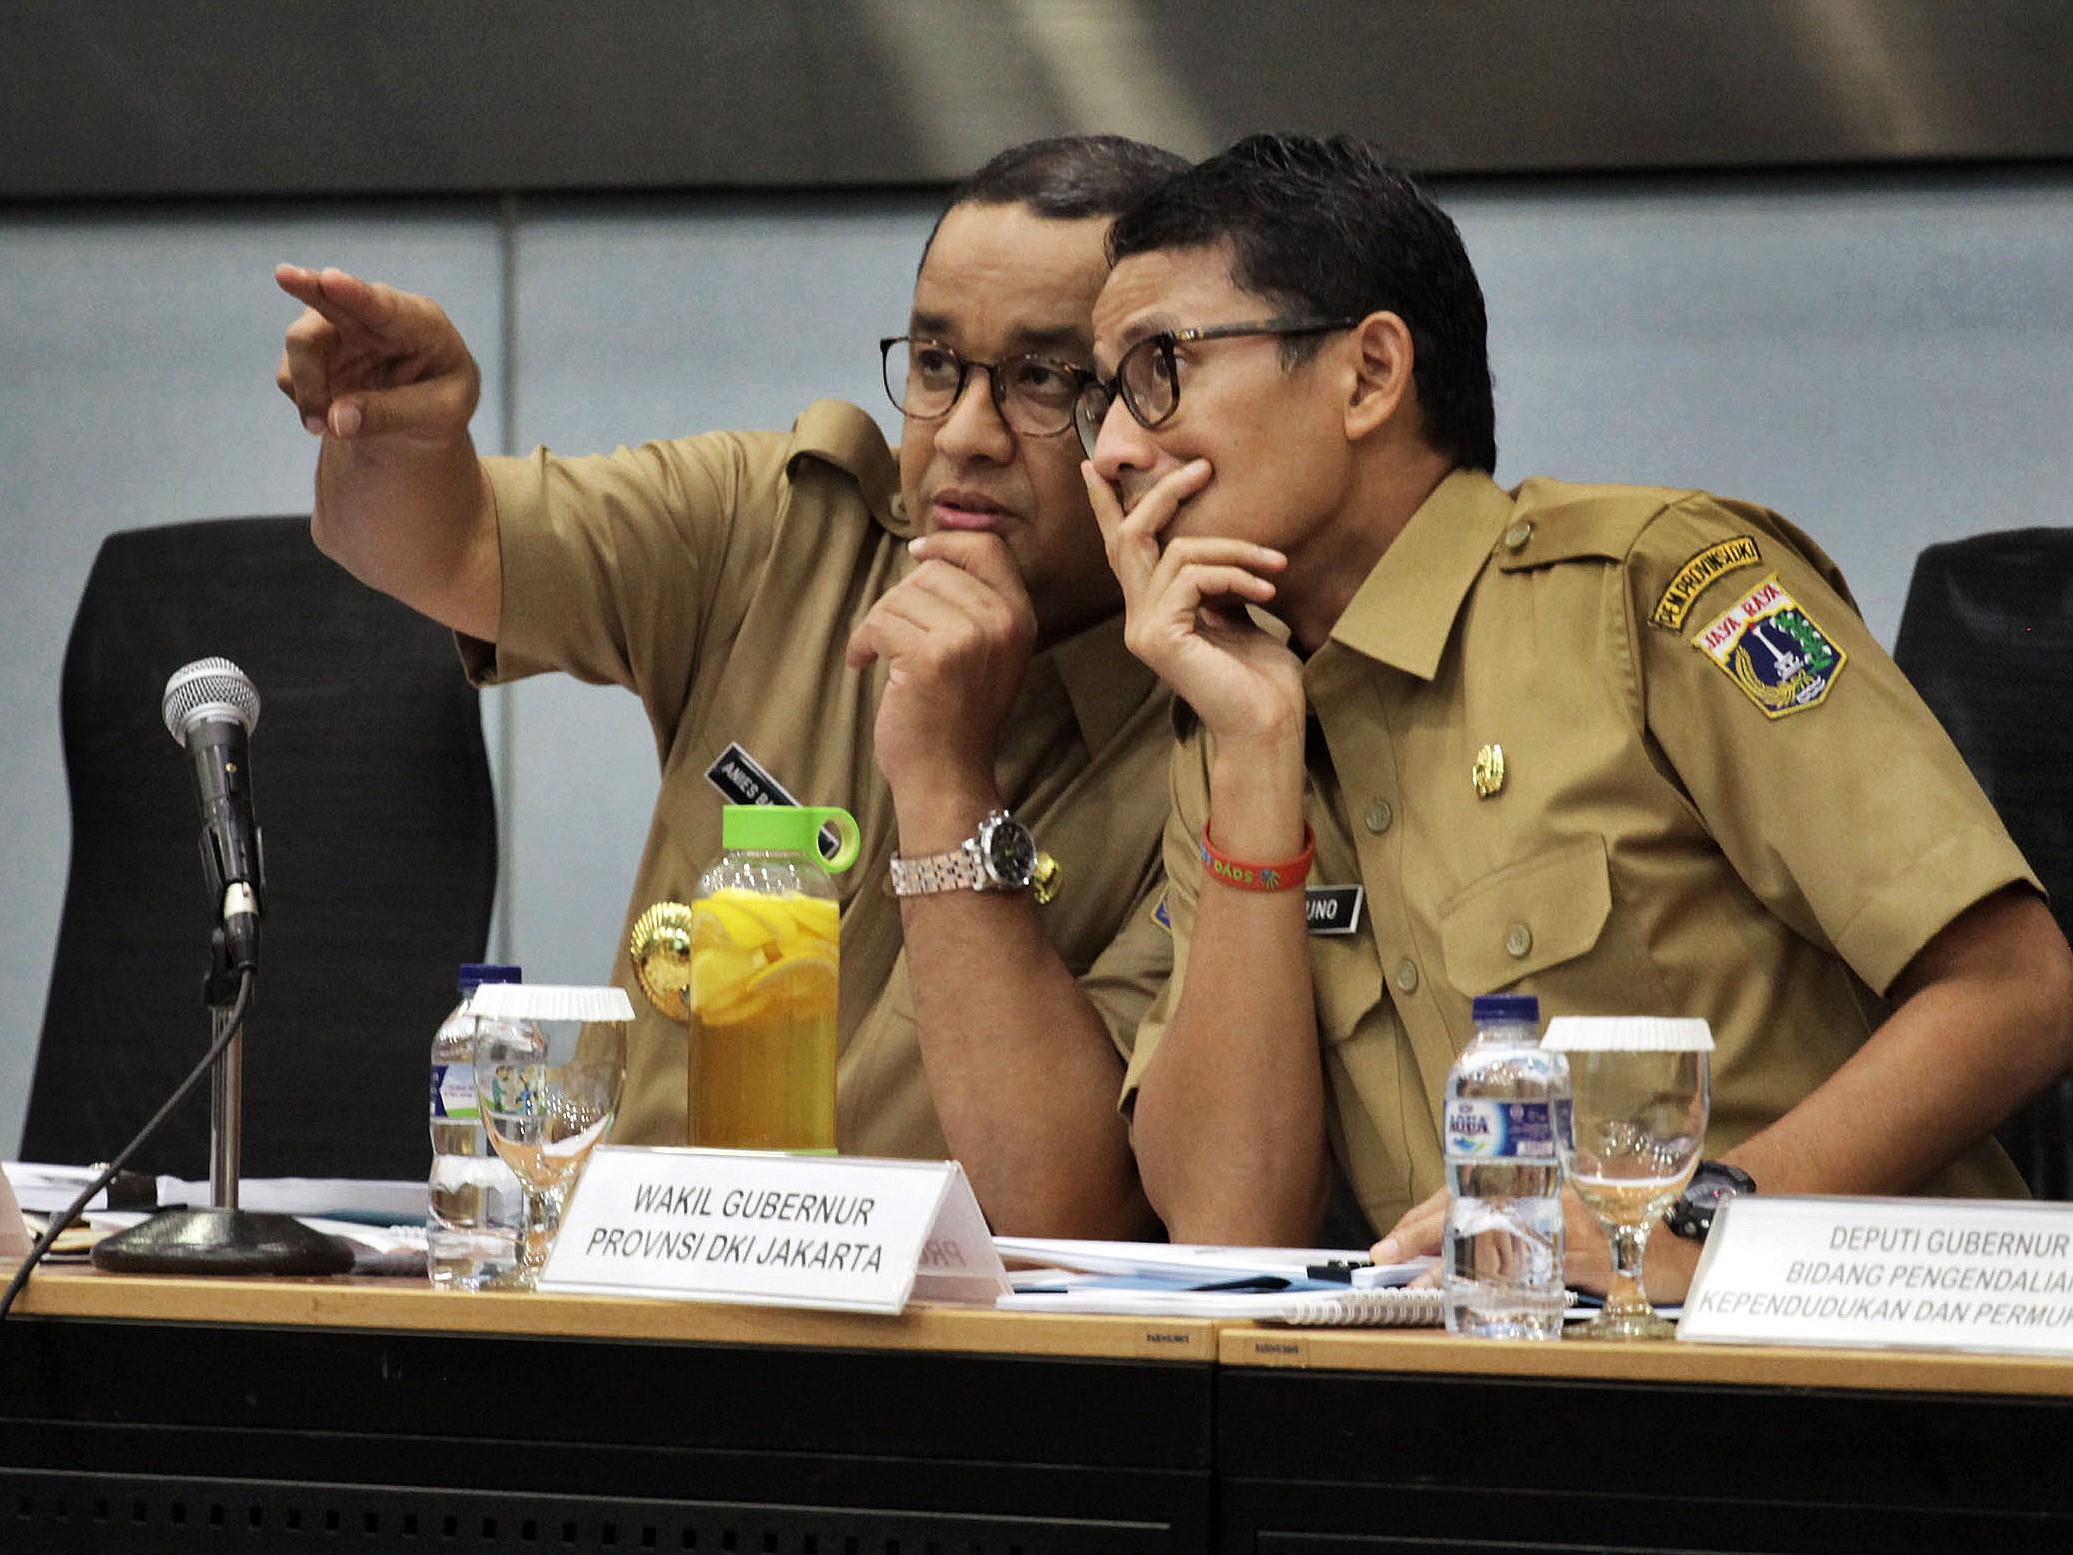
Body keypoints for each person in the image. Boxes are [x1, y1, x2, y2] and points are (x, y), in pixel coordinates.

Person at [1079, 132, 2073, 1292]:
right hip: (1497, 1417)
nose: (1109, 450)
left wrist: (1689, 1227)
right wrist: (1253, 765)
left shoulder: (1663, 587)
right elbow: (1230, 1234)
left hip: (1862, 1395)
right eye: (1102, 397)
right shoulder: (1239, 713)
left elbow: (2018, 991)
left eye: (1159, 371)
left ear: (1367, 374)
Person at [274, 135, 1189, 1239]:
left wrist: (946, 781)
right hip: (651, 1313)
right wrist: (389, 433)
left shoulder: (1219, 722)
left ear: (1154, 403)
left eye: (1044, 378)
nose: (962, 435)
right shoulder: (776, 527)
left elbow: (1070, 1213)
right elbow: (428, 538)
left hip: (952, 1377)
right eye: (938, 362)